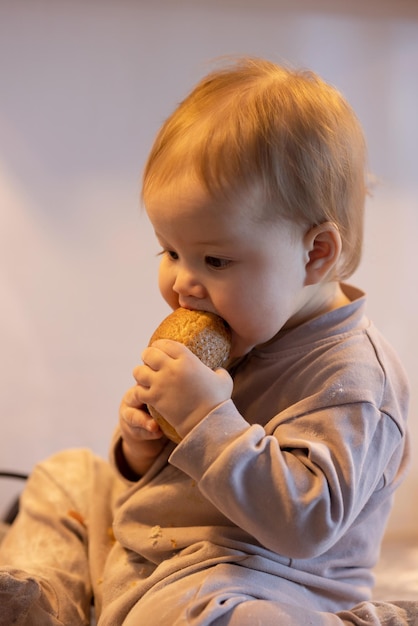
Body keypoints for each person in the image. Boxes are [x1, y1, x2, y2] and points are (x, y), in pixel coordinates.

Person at [0, 57, 415, 626]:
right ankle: (43, 595)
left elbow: (306, 522)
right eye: (169, 251)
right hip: (152, 551)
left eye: (215, 259)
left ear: (315, 253)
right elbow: (171, 481)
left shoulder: (354, 379)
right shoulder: (245, 322)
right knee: (67, 474)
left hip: (251, 574)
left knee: (209, 617)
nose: (181, 284)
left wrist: (203, 418)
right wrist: (138, 448)